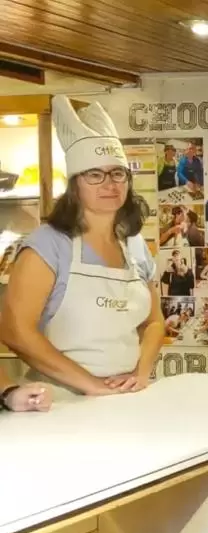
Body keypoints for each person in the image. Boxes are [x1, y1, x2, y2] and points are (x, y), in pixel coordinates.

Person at [0, 96, 165, 397]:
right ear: (75, 185)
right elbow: (15, 331)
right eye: (95, 175)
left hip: (125, 397)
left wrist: (141, 373)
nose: (110, 184)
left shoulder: (135, 245)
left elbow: (154, 322)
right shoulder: (48, 245)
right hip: (60, 401)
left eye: (118, 174)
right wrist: (92, 385)